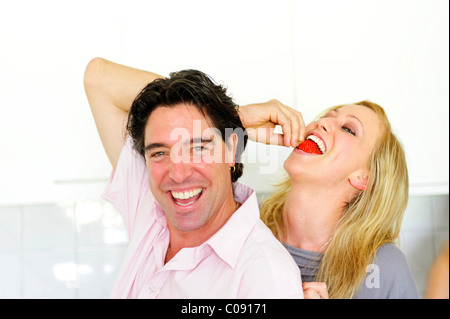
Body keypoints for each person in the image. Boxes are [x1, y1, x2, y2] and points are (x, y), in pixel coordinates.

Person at [83, 58, 303, 299]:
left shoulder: (265, 275)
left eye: (198, 148)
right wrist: (234, 116)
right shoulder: (149, 207)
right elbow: (98, 78)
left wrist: (221, 117)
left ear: (231, 151)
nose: (178, 174)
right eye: (159, 152)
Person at [239, 99, 420, 298]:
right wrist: (235, 120)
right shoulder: (242, 223)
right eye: (327, 116)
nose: (320, 122)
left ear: (364, 178)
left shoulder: (385, 269)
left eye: (349, 130)